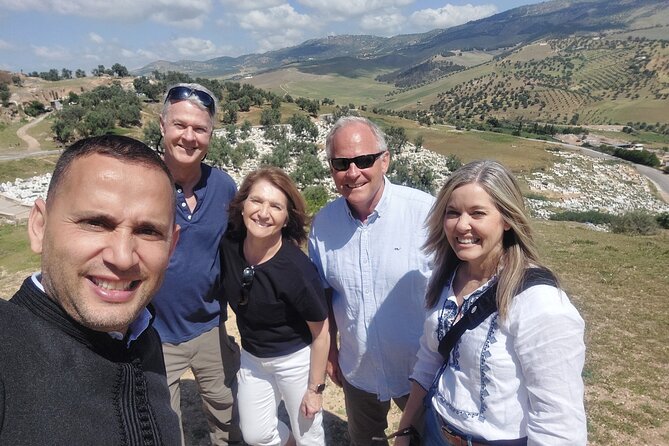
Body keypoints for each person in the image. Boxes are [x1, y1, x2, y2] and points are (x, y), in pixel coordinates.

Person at [0, 135, 181, 445]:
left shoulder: (143, 334)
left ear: (172, 245)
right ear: (39, 227)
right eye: (95, 223)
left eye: (148, 231)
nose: (122, 257)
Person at [394, 160, 587, 446]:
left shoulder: (540, 304)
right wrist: (406, 429)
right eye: (452, 212)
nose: (461, 225)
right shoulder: (445, 277)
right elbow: (429, 360)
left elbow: (557, 423)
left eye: (477, 213)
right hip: (436, 431)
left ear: (507, 219)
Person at [308, 116, 435, 445]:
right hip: (358, 371)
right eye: (341, 163)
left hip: (420, 373)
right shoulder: (323, 225)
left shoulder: (425, 215)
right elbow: (325, 296)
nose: (353, 173)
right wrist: (331, 354)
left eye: (364, 160)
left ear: (385, 160)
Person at [151, 82, 242, 445]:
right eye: (180, 125)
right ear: (163, 126)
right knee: (165, 426)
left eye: (200, 128)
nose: (189, 137)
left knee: (228, 411)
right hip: (154, 333)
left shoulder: (223, 187)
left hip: (209, 328)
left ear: (210, 134)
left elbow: (237, 251)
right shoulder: (142, 182)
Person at [220, 167, 330, 446]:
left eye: (275, 206)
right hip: (253, 358)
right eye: (256, 201)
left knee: (310, 438)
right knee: (256, 435)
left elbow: (321, 333)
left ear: (285, 219)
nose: (263, 213)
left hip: (294, 361)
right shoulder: (229, 246)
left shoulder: (297, 270)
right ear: (243, 204)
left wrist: (314, 389)